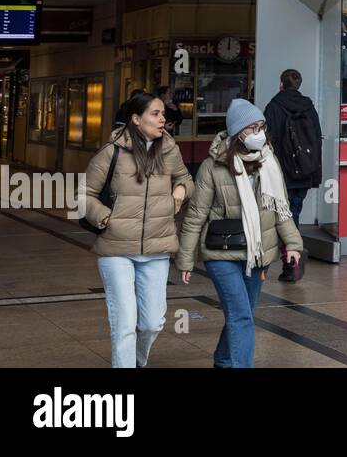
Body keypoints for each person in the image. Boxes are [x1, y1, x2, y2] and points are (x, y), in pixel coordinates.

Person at [177, 99, 303, 368]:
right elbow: (196, 214)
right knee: (241, 316)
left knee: (242, 313)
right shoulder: (213, 166)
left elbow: (280, 209)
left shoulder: (269, 161)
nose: (259, 133)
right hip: (221, 253)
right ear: (237, 132)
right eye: (252, 127)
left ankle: (223, 360)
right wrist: (186, 258)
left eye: (261, 127)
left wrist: (292, 244)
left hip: (257, 253)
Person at [82, 91, 193, 368]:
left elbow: (186, 179)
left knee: (153, 322)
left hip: (157, 247)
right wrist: (107, 219)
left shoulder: (169, 149)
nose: (162, 119)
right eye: (155, 114)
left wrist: (180, 191)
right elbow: (83, 194)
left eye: (162, 114)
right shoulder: (113, 151)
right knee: (125, 324)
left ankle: (137, 361)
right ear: (135, 119)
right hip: (117, 249)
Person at [263, 68, 324, 280]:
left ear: (281, 83)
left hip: (282, 173)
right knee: (293, 214)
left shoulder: (273, 107)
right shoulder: (309, 107)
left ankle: (291, 263)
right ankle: (293, 260)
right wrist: (315, 172)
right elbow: (317, 140)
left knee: (283, 218)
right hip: (304, 172)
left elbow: (265, 141)